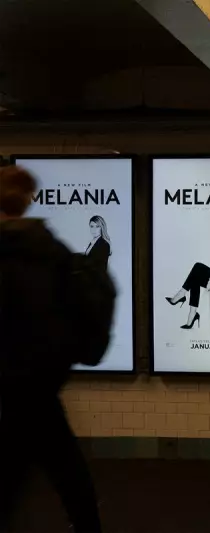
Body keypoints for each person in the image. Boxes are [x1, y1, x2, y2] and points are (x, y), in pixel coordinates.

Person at [0, 165, 108, 533]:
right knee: (59, 460)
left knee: (21, 465)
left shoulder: (7, 252)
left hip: (15, 378)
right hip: (42, 377)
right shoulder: (52, 249)